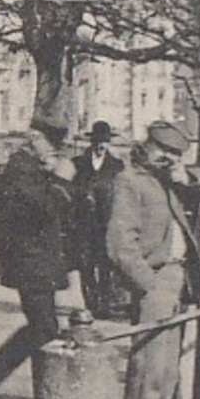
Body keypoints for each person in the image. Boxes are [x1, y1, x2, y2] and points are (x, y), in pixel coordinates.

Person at [107, 122, 200, 399]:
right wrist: (147, 285)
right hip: (155, 279)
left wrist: (182, 176)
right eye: (162, 150)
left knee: (168, 371)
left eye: (175, 154)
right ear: (146, 147)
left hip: (177, 278)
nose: (167, 158)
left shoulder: (168, 183)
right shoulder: (130, 181)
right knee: (147, 370)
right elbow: (119, 244)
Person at [0, 123, 81, 392]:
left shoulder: (29, 169)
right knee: (44, 328)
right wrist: (62, 180)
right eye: (51, 145)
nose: (54, 152)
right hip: (31, 261)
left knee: (45, 327)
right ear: (35, 138)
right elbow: (46, 208)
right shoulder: (20, 171)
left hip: (37, 260)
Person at [72, 120, 124, 319]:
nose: (102, 145)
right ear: (92, 141)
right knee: (85, 264)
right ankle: (90, 301)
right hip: (83, 223)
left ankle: (104, 304)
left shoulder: (117, 166)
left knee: (105, 264)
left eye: (106, 142)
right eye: (99, 141)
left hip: (106, 223)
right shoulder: (79, 163)